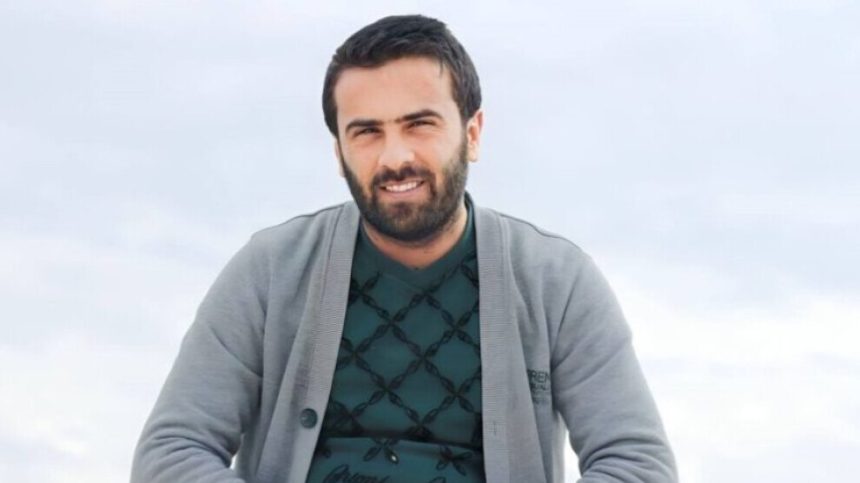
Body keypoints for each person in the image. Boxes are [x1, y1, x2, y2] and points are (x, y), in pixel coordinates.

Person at [131, 14, 677, 483]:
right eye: (367, 132)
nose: (395, 158)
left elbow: (638, 464)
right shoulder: (271, 270)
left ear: (472, 133)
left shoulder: (556, 281)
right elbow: (172, 453)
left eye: (420, 125)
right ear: (339, 151)